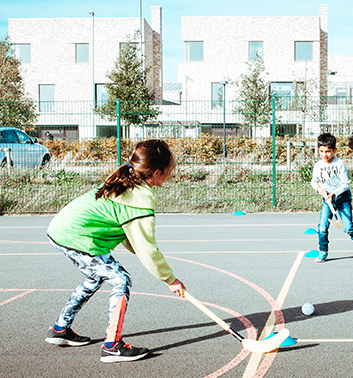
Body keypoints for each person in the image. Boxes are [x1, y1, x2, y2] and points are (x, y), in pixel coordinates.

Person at [45, 139, 186, 363]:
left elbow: (131, 237)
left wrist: (146, 256)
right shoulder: (140, 198)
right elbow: (146, 248)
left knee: (94, 277)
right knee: (121, 279)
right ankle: (112, 346)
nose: (169, 175)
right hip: (78, 237)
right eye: (168, 170)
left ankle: (60, 328)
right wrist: (170, 279)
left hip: (62, 231)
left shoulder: (127, 183)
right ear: (157, 172)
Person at [311, 133, 353, 262]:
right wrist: (319, 189)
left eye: (328, 152)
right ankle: (323, 251)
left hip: (342, 199)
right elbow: (313, 181)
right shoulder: (318, 165)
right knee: (322, 227)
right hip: (327, 201)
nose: (324, 154)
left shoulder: (339, 163)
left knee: (348, 228)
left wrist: (333, 194)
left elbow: (346, 184)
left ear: (334, 150)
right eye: (322, 151)